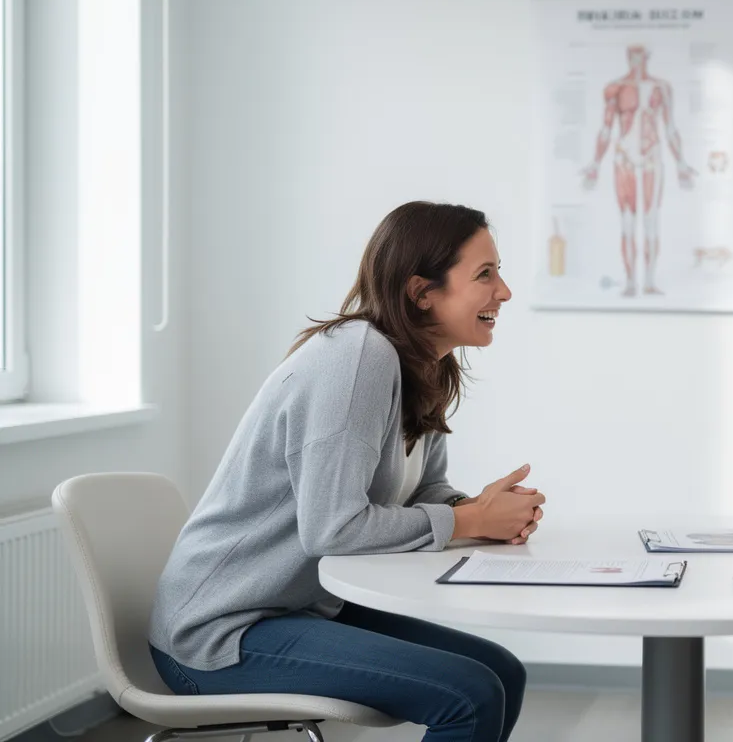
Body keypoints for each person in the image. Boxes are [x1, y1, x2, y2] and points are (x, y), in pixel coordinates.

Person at [148, 202, 545, 742]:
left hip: (301, 609)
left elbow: (421, 492)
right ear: (422, 291)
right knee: (469, 695)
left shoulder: (419, 363)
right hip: (221, 631)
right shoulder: (357, 359)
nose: (504, 291)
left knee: (502, 672)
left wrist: (481, 509)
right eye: (485, 274)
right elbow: (332, 528)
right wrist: (469, 520)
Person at [580, 43, 697, 297]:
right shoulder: (616, 89)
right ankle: (632, 281)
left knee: (651, 221)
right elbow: (606, 129)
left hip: (652, 160)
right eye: (632, 54)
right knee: (628, 224)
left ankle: (650, 281)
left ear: (646, 56)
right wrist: (595, 164)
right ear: (627, 56)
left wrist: (681, 163)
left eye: (640, 54)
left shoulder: (661, 88)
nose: (636, 59)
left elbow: (670, 129)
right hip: (625, 161)